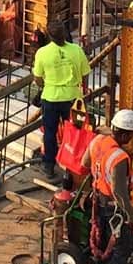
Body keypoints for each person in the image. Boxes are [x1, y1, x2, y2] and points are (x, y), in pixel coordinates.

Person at [87, 109, 133, 264]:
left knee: (100, 240)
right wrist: (130, 214)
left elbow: (84, 161)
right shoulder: (119, 158)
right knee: (121, 248)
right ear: (125, 134)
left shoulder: (96, 142)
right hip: (114, 209)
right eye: (131, 134)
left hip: (98, 200)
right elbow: (119, 192)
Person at [31, 20, 89, 183]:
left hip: (50, 97)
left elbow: (38, 78)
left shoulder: (42, 53)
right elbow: (85, 74)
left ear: (49, 35)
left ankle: (49, 165)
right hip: (72, 97)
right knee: (74, 133)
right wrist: (83, 89)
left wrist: (46, 84)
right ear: (64, 33)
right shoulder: (76, 51)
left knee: (50, 132)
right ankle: (71, 166)